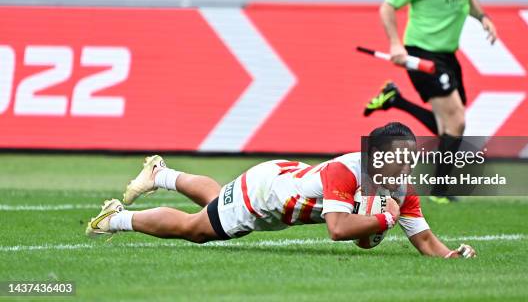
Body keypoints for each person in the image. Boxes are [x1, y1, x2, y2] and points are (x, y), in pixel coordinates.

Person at [85, 122, 476, 259]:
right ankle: (115, 218)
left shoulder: (399, 186)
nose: (407, 167)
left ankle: (162, 174)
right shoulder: (346, 171)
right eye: (399, 159)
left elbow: (424, 240)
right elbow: (338, 230)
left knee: (217, 201)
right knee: (196, 230)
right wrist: (386, 217)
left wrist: (452, 256)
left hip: (278, 187)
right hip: (263, 195)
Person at [364, 0, 497, 204]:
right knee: (457, 122)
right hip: (421, 53)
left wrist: (483, 17)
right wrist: (396, 45)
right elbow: (387, 6)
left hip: (448, 54)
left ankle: (394, 99)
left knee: (448, 125)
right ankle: (440, 189)